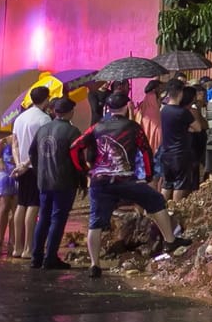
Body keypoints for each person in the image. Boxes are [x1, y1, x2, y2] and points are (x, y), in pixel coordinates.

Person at [69, 90, 185, 277]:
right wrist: (147, 175)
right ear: (126, 106)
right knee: (156, 201)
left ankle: (94, 265)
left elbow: (75, 147)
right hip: (126, 179)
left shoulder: (97, 127)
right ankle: (170, 240)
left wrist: (83, 169)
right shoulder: (133, 127)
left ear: (108, 108)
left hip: (100, 181)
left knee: (95, 222)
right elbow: (146, 151)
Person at [30, 97, 84, 270]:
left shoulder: (43, 129)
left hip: (44, 181)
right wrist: (82, 180)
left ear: (54, 111)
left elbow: (33, 154)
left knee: (43, 217)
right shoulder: (72, 131)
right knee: (58, 219)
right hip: (64, 182)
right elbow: (78, 159)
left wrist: (40, 171)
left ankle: (36, 257)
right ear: (69, 112)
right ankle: (50, 257)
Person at [9, 83, 52, 260]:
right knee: (33, 206)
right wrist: (27, 164)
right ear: (46, 99)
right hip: (35, 167)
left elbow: (15, 143)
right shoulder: (44, 119)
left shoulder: (20, 118)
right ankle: (28, 248)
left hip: (21, 167)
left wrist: (19, 164)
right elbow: (41, 148)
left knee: (21, 204)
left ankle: (17, 248)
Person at [156, 84, 200, 202]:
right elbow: (198, 128)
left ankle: (161, 209)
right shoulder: (183, 112)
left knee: (167, 184)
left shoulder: (163, 110)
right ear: (180, 95)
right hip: (180, 153)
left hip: (166, 152)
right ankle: (176, 209)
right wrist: (186, 128)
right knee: (180, 185)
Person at [0, 133, 20, 256]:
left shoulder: (22, 140)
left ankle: (12, 240)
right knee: (4, 208)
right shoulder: (3, 141)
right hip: (5, 174)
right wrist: (0, 160)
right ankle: (0, 238)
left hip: (17, 173)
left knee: (16, 209)